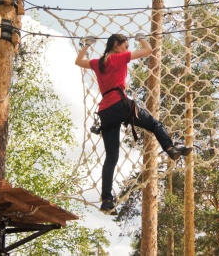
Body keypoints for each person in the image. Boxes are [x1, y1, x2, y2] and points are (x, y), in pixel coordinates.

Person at [75, 33, 192, 215]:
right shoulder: (119, 58)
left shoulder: (97, 63)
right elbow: (148, 50)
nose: (127, 50)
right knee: (155, 125)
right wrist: (141, 38)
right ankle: (170, 148)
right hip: (121, 104)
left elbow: (78, 61)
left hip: (105, 110)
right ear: (116, 45)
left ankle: (106, 200)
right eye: (125, 46)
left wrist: (87, 45)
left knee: (111, 157)